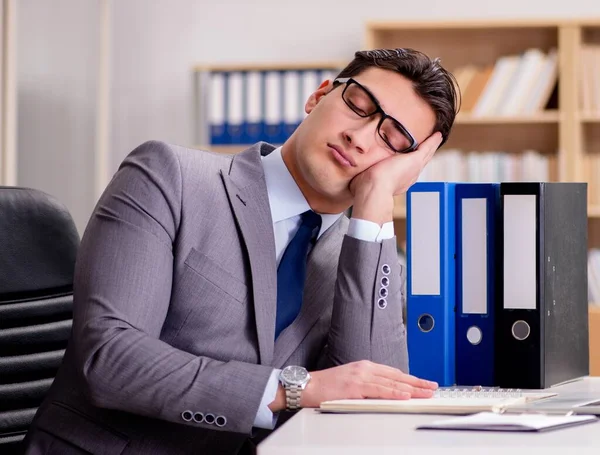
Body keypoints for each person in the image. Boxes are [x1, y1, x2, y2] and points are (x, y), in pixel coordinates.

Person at [24, 47, 459, 454]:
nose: (359, 138)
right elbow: (110, 358)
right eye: (359, 105)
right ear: (319, 95)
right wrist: (292, 389)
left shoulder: (364, 260)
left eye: (394, 140)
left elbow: (369, 409)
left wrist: (376, 205)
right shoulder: (170, 177)